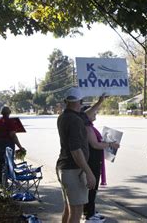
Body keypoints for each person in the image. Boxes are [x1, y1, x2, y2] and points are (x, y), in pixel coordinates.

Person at [56, 87, 96, 223]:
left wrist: (100, 101)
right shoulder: (75, 121)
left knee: (68, 208)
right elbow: (76, 150)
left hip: (65, 167)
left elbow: (88, 115)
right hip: (73, 170)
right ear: (80, 101)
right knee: (77, 211)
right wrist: (88, 172)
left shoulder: (63, 117)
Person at [80, 95, 120, 222]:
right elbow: (95, 144)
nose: (95, 114)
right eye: (94, 112)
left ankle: (90, 211)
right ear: (87, 114)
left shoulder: (90, 126)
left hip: (94, 159)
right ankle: (89, 215)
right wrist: (110, 144)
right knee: (92, 188)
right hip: (91, 160)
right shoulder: (87, 127)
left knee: (93, 188)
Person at [0, 106, 26, 185]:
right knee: (7, 161)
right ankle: (7, 180)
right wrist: (20, 147)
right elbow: (13, 135)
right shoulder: (10, 122)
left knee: (2, 161)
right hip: (6, 143)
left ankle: (2, 181)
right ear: (9, 113)